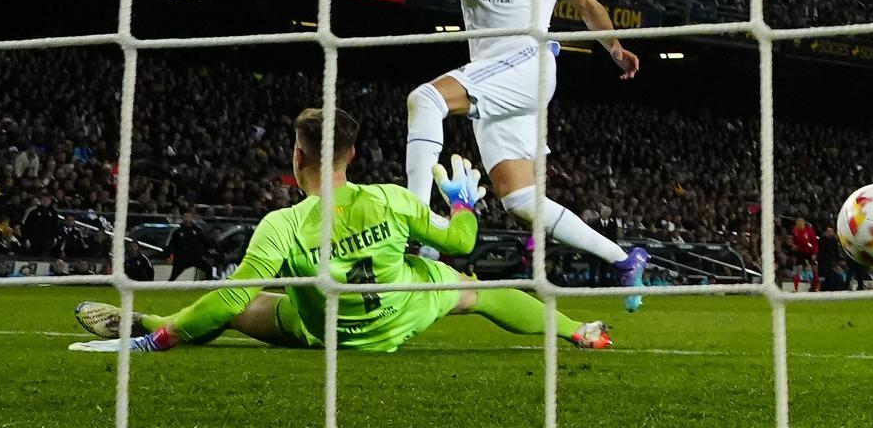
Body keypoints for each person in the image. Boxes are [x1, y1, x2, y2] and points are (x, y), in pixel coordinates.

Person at [69, 107, 610, 354]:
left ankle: (153, 324)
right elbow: (465, 242)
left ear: (296, 155)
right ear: (352, 155)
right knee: (479, 292)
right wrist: (463, 202)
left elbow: (230, 295)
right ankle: (577, 331)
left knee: (239, 306)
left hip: (323, 332)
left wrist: (158, 343)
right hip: (399, 315)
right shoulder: (394, 200)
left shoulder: (282, 223)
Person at [386, 0, 649, 311]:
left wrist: (615, 48)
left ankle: (418, 229)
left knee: (426, 99)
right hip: (490, 76)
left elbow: (587, 6)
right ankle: (624, 258)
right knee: (521, 200)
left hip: (529, 65)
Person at [166, 211, 212, 281]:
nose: (187, 218)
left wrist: (210, 248)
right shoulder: (178, 231)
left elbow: (204, 241)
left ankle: (209, 286)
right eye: (185, 217)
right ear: (183, 218)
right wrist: (169, 255)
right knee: (173, 276)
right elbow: (172, 244)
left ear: (192, 218)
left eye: (188, 217)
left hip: (195, 256)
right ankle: (167, 288)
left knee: (208, 268)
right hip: (182, 257)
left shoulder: (197, 230)